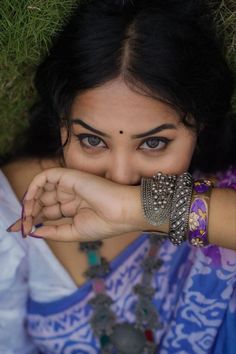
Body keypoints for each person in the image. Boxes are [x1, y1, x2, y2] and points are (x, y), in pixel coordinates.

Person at [1, 0, 235, 353]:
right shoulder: (14, 211)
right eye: (92, 140)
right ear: (62, 122)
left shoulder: (221, 189)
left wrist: (136, 208)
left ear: (199, 126)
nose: (120, 176)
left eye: (154, 142)